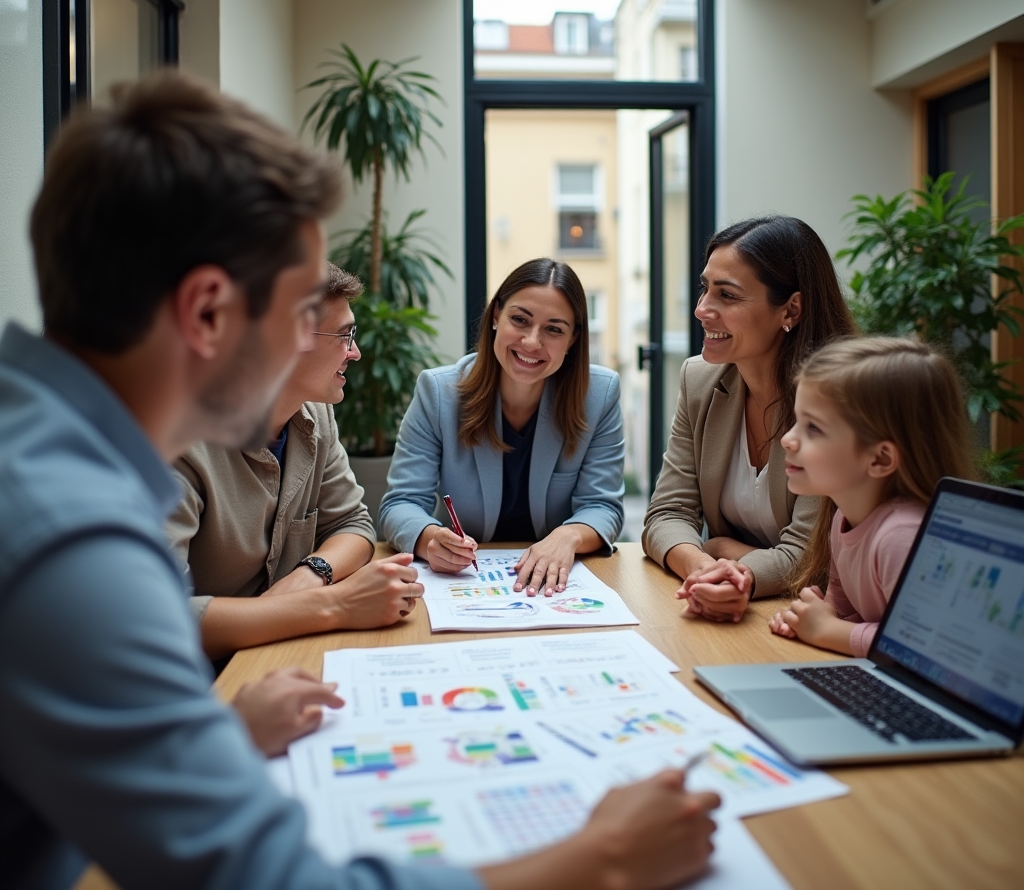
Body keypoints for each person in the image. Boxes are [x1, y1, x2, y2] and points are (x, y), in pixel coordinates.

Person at [0, 71, 718, 890]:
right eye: (304, 316)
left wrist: (218, 740)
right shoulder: (67, 538)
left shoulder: (47, 458)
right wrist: (599, 859)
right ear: (206, 314)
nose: (341, 351)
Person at [167, 262, 423, 660]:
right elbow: (159, 621)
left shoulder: (315, 415)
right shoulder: (174, 442)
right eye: (345, 336)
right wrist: (336, 605)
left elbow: (353, 524)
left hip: (279, 651)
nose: (355, 352)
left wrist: (310, 576)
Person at [642, 216, 857, 622]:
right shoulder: (700, 380)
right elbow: (667, 514)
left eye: (727, 295)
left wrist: (736, 567)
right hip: (744, 607)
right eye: (705, 288)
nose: (702, 309)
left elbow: (807, 555)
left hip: (812, 618)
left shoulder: (839, 400)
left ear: (790, 309)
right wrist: (704, 568)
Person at [379, 258, 625, 596]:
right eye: (520, 320)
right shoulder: (438, 392)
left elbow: (603, 506)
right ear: (496, 316)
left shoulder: (600, 394)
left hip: (557, 587)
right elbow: (401, 502)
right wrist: (429, 539)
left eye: (554, 329)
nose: (531, 342)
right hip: (465, 583)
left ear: (572, 339)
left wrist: (566, 537)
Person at [769, 337, 976, 655]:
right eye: (798, 421)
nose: (787, 439)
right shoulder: (843, 515)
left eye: (813, 428)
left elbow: (921, 645)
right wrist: (810, 620)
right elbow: (841, 612)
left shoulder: (902, 536)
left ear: (880, 459)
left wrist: (826, 630)